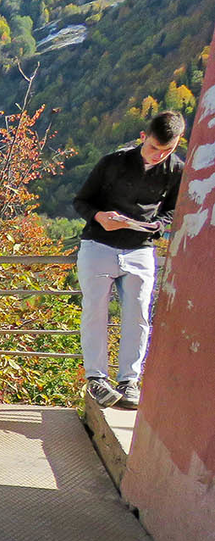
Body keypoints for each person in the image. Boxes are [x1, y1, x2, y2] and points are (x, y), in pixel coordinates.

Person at [73, 111, 185, 409]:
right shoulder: (112, 163)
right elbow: (81, 201)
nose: (158, 156)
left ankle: (129, 381)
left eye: (167, 151)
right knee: (95, 311)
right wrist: (100, 217)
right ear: (143, 137)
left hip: (141, 249)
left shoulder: (176, 170)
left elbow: (174, 210)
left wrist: (158, 225)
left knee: (138, 315)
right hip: (99, 245)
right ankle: (96, 379)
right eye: (153, 149)